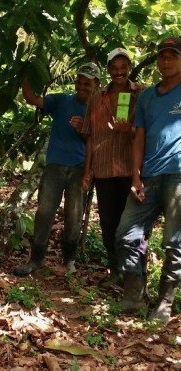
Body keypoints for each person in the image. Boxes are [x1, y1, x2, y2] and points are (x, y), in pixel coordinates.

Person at [115, 37, 181, 323]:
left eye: (173, 56)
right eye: (162, 56)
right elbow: (139, 136)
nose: (166, 61)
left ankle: (165, 302)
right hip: (149, 176)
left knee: (174, 243)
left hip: (178, 176)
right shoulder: (147, 96)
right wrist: (136, 175)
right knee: (125, 234)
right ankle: (134, 293)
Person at [14, 63, 101, 276]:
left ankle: (69, 260)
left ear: (96, 85)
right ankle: (36, 259)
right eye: (79, 82)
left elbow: (100, 143)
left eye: (87, 83)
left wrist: (84, 131)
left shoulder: (99, 109)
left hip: (80, 169)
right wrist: (26, 74)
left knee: (74, 216)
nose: (81, 86)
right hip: (54, 167)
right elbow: (33, 100)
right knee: (44, 213)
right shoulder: (62, 100)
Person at [80, 48, 145, 288]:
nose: (118, 72)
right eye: (114, 67)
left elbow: (147, 132)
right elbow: (89, 136)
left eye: (122, 67)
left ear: (128, 67)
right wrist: (87, 171)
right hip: (105, 170)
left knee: (134, 226)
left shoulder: (142, 93)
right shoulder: (97, 97)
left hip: (132, 170)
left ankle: (136, 276)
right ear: (107, 70)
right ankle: (114, 271)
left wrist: (130, 131)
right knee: (109, 224)